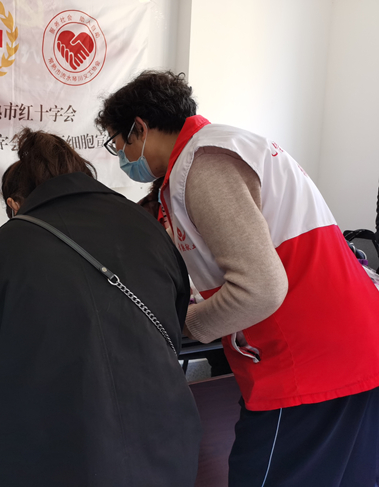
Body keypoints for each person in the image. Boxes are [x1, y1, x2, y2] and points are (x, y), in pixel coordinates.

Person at [96, 70, 379, 487]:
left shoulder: (203, 164)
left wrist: (183, 324)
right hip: (353, 351)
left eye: (118, 143)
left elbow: (260, 288)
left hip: (307, 364)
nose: (121, 156)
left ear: (139, 127)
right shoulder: (227, 148)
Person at [0, 129, 202, 487]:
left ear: (17, 202)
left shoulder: (0, 252)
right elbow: (172, 325)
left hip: (53, 457)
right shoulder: (146, 227)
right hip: (166, 437)